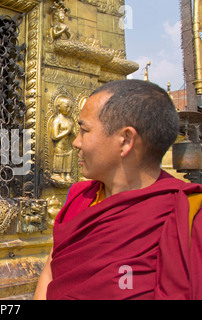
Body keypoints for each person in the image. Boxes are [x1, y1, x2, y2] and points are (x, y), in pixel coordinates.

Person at [34, 79, 202, 300]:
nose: (76, 142)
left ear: (125, 140)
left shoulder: (187, 214)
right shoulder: (80, 197)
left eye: (84, 131)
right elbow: (52, 269)